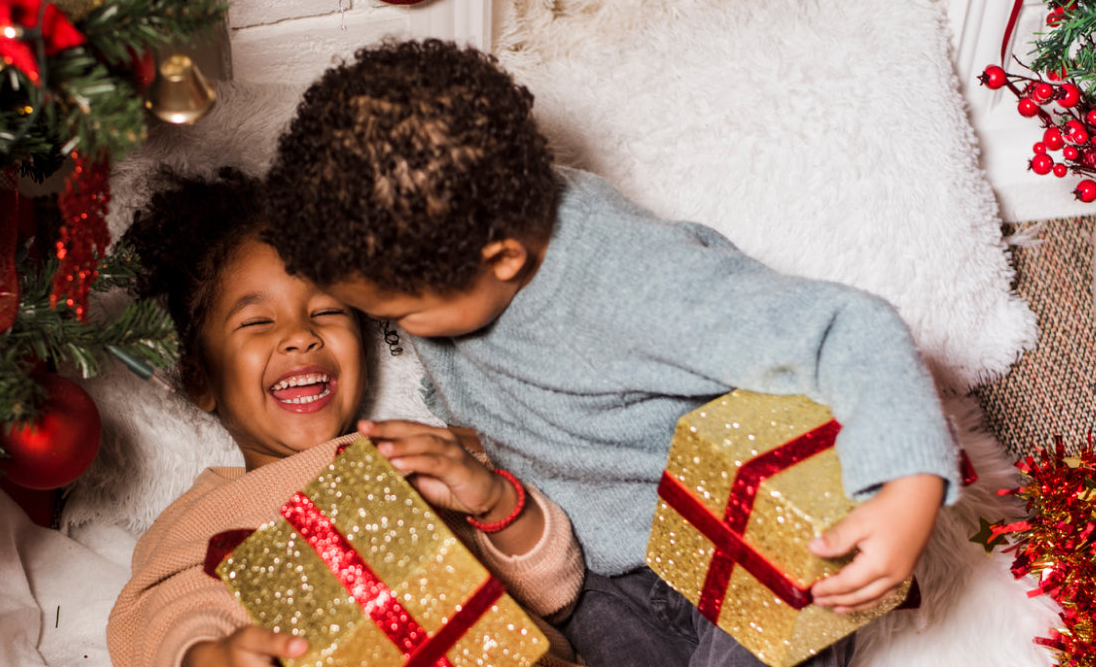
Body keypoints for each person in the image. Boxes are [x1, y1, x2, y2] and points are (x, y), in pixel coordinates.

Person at [259, 38, 961, 667]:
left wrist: (908, 489)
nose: (399, 332)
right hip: (600, 579)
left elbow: (850, 326)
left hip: (732, 536)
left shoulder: (636, 280)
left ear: (500, 258)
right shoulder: (443, 244)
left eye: (403, 315)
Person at [105, 167, 584, 667]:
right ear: (199, 378)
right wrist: (208, 655)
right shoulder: (210, 514)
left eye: (328, 312)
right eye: (257, 321)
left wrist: (495, 502)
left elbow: (557, 596)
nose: (300, 335)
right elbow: (172, 612)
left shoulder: (418, 453)